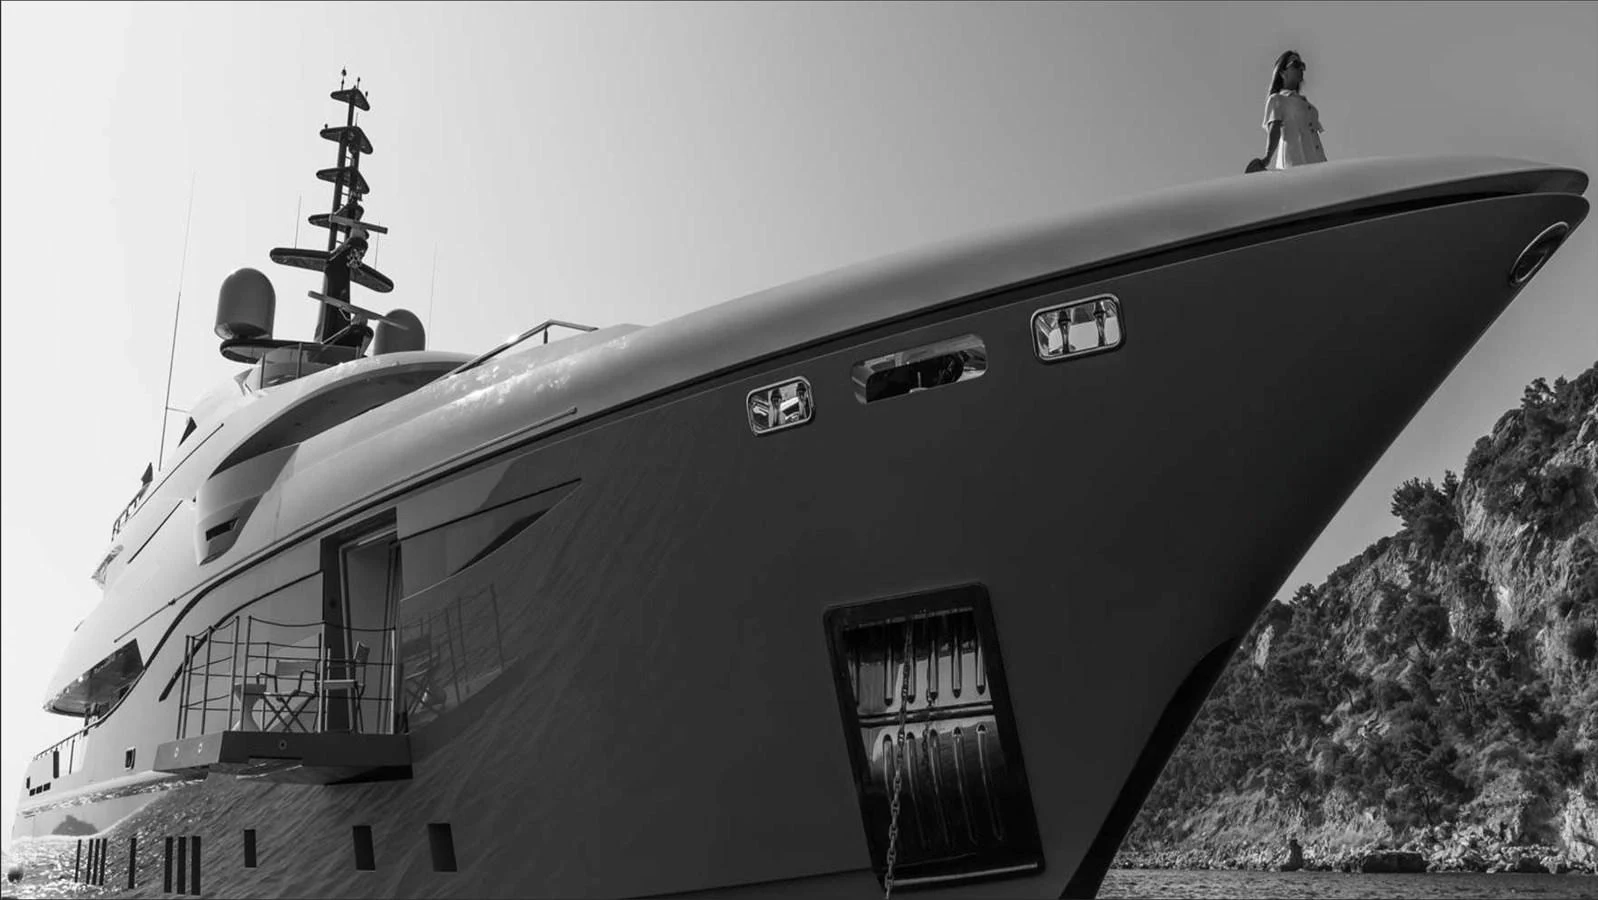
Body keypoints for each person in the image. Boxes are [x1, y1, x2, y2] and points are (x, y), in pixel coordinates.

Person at [1249, 51, 1326, 172]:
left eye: (1302, 66)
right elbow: (1275, 129)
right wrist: (1267, 158)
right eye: (1295, 64)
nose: (1300, 69)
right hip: (1295, 166)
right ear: (1282, 73)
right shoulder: (1277, 100)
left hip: (1319, 166)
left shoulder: (1308, 106)